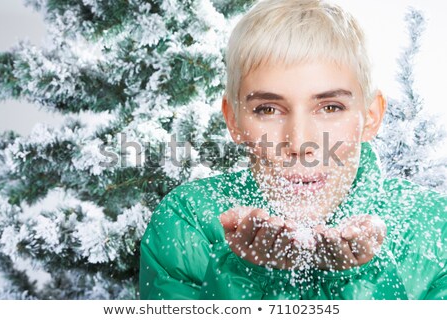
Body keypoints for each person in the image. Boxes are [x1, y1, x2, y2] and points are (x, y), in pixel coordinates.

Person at [139, 0, 446, 299]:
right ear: (233, 120)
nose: (299, 143)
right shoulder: (188, 221)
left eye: (330, 107)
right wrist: (246, 276)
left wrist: (364, 279)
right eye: (268, 110)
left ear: (371, 116)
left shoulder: (434, 229)